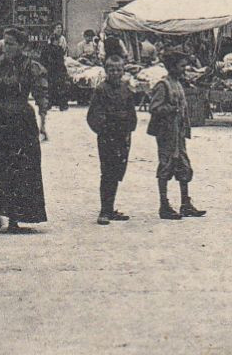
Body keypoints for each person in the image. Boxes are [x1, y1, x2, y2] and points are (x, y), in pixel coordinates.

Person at [0, 28, 49, 235]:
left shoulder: (31, 67)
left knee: (20, 167)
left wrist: (43, 121)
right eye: (5, 42)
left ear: (22, 46)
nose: (5, 47)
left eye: (11, 43)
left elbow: (41, 94)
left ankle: (16, 218)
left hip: (21, 120)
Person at [148, 49, 204, 219]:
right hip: (166, 135)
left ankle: (185, 204)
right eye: (181, 66)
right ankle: (164, 205)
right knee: (166, 166)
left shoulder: (178, 84)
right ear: (171, 67)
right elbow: (154, 108)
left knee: (183, 166)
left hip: (178, 134)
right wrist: (172, 109)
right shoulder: (163, 85)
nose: (184, 69)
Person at [86, 54, 138, 225]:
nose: (115, 73)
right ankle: (104, 210)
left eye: (119, 70)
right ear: (106, 71)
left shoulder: (126, 88)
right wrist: (104, 129)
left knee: (117, 171)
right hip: (108, 136)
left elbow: (131, 111)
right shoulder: (101, 90)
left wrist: (130, 127)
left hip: (123, 136)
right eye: (112, 70)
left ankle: (111, 207)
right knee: (107, 172)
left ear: (123, 71)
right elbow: (93, 115)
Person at [39, 31, 72, 111]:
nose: (58, 42)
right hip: (55, 71)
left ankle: (52, 104)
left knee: (52, 88)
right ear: (54, 41)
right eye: (57, 41)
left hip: (52, 71)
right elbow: (60, 61)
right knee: (58, 88)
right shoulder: (55, 49)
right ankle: (60, 105)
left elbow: (43, 60)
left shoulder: (48, 48)